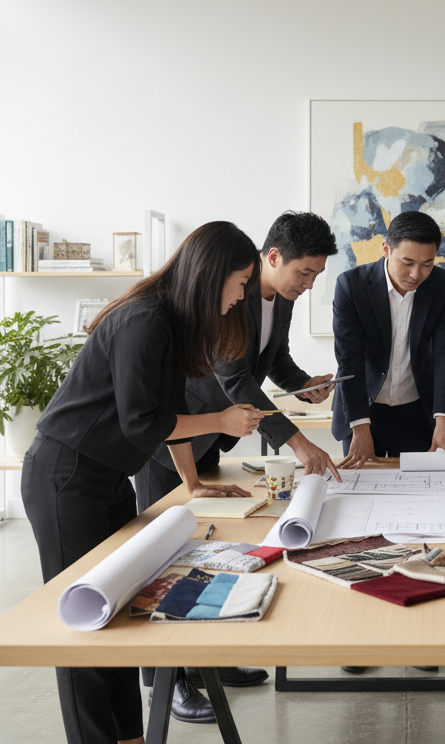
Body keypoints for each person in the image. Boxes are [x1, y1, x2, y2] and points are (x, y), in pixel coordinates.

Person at [20, 221, 267, 744]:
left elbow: (169, 411)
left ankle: (130, 737)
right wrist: (221, 422)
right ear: (212, 274)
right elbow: (141, 423)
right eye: (241, 281)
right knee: (83, 622)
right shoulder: (143, 320)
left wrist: (193, 483)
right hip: (65, 475)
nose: (242, 295)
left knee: (119, 612)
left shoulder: (172, 323)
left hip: (106, 476)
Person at [135, 211, 341, 720]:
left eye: (316, 275)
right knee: (162, 559)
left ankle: (207, 660)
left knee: (204, 555)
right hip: (172, 438)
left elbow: (273, 363)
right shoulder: (234, 294)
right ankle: (167, 680)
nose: (309, 284)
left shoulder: (279, 301)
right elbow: (235, 379)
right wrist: (297, 442)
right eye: (304, 273)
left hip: (210, 441)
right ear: (272, 257)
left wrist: (302, 384)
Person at [332, 210, 445, 465]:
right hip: (364, 410)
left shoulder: (444, 284)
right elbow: (350, 360)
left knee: (419, 495)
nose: (417, 274)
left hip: (416, 412)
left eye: (427, 263)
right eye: (408, 262)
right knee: (362, 493)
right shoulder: (351, 286)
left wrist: (444, 418)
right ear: (386, 250)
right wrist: (359, 426)